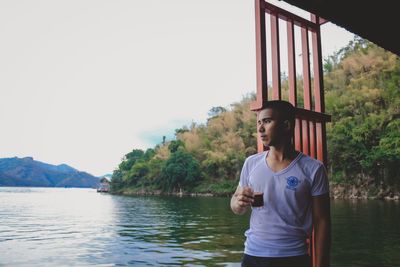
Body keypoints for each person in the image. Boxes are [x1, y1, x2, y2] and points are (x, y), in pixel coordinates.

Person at [230, 100, 331, 267]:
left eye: (267, 121)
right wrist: (238, 202)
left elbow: (322, 222)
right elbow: (235, 204)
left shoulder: (313, 169)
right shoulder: (251, 163)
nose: (260, 128)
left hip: (294, 257)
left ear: (286, 125)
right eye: (259, 123)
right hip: (252, 256)